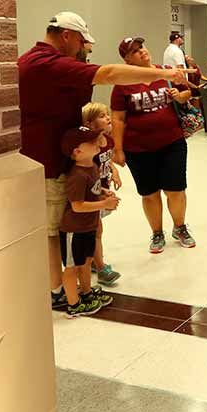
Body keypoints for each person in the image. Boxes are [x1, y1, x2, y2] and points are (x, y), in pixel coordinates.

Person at [18, 11, 186, 311]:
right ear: (67, 36)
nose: (84, 50)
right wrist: (165, 73)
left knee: (74, 229)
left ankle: (81, 277)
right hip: (49, 162)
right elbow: (108, 74)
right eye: (82, 43)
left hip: (65, 159)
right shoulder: (46, 63)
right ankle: (59, 292)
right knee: (55, 232)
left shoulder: (40, 61)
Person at [112, 36, 197, 254]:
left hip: (172, 143)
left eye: (142, 47)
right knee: (149, 193)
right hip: (138, 149)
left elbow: (188, 92)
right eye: (135, 51)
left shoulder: (166, 71)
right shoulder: (122, 84)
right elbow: (118, 119)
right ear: (127, 60)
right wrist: (118, 149)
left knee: (176, 190)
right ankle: (157, 232)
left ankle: (180, 228)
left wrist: (179, 96)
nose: (142, 52)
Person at [58, 126, 117, 318]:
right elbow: (77, 205)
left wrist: (103, 192)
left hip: (88, 226)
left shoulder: (92, 166)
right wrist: (104, 203)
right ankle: (73, 303)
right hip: (74, 229)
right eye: (91, 142)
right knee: (72, 266)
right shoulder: (77, 175)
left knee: (86, 261)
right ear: (77, 152)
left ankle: (86, 292)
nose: (97, 143)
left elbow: (92, 189)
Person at [82, 102, 122, 286]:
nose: (107, 118)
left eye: (107, 114)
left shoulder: (108, 140)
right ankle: (101, 267)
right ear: (89, 123)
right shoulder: (89, 146)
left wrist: (114, 171)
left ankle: (93, 258)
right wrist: (99, 192)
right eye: (102, 116)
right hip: (93, 193)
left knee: (97, 229)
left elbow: (107, 159)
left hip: (103, 189)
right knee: (96, 229)